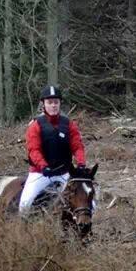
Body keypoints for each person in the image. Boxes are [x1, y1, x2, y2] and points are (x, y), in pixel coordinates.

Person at [19, 85, 87, 213]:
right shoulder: (35, 125)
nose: (53, 105)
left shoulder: (68, 124)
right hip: (40, 174)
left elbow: (77, 146)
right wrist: (44, 166)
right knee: (24, 204)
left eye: (56, 102)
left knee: (86, 200)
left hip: (64, 173)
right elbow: (34, 150)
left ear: (60, 103)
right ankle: (23, 229)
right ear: (43, 104)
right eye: (50, 102)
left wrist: (81, 163)